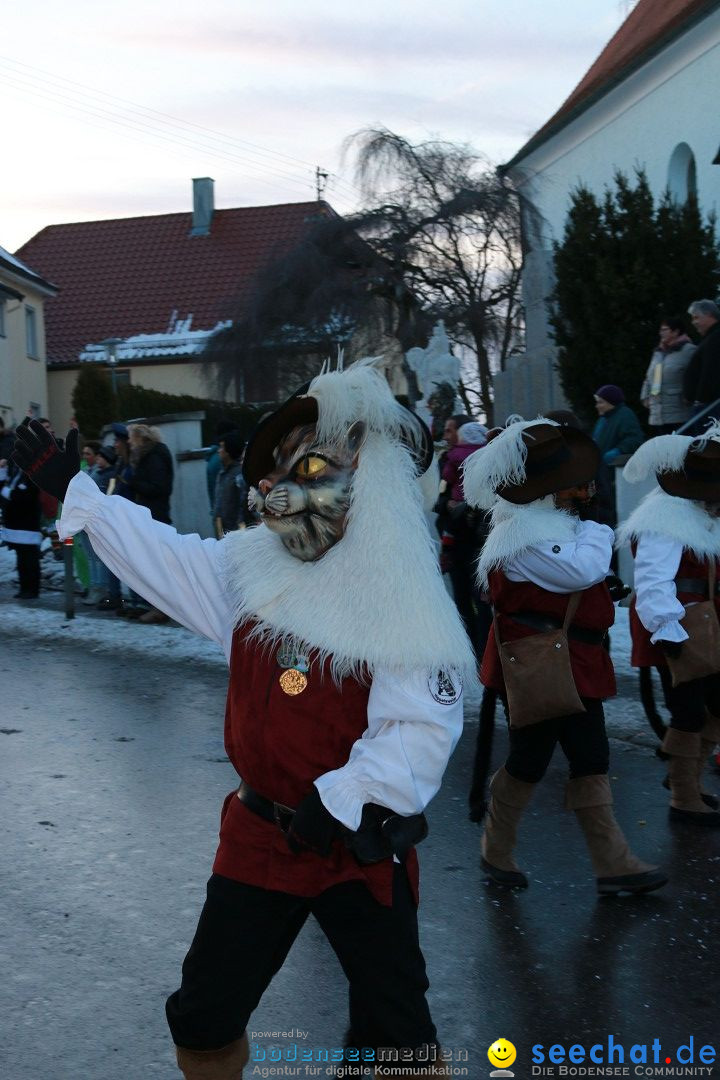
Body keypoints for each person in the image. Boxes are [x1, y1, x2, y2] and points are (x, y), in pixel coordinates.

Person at [12, 359, 476, 1080]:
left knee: (398, 1033)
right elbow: (168, 558)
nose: (285, 484)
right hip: (260, 836)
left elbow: (420, 729)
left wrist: (345, 794)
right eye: (287, 466)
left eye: (313, 465)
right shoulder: (252, 571)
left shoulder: (402, 599)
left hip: (356, 848)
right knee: (203, 1016)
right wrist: (79, 495)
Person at [462, 418, 667, 896]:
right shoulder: (522, 536)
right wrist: (597, 533)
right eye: (572, 482)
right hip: (538, 665)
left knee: (591, 756)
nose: (584, 487)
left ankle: (612, 863)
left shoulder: (551, 529)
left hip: (570, 661)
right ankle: (497, 848)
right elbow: (582, 569)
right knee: (531, 760)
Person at [617, 428, 720, 826]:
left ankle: (688, 780)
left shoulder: (703, 511)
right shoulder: (667, 516)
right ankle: (683, 795)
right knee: (689, 709)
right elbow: (653, 580)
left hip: (707, 621)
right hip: (678, 621)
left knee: (715, 704)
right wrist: (668, 629)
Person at [439, 422, 492, 659]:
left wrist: (451, 505)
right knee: (475, 600)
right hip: (470, 537)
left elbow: (443, 495)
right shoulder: (488, 457)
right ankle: (481, 651)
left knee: (469, 599)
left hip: (467, 538)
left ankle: (476, 650)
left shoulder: (451, 459)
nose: (445, 434)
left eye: (451, 430)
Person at [640, 317, 695, 434]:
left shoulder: (689, 350)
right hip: (657, 414)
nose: (661, 333)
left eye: (665, 330)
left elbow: (696, 376)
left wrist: (689, 396)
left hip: (679, 413)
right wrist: (645, 396)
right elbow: (649, 377)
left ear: (676, 332)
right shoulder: (658, 352)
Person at [0, 455, 42, 599]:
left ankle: (32, 589)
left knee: (29, 558)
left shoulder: (33, 475)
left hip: (27, 524)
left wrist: (8, 493)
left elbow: (25, 497)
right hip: (16, 523)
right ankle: (24, 587)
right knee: (21, 557)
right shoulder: (18, 473)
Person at [683, 299, 720, 416]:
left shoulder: (715, 338)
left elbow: (711, 371)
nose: (693, 322)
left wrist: (702, 400)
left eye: (696, 317)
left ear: (709, 315)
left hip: (709, 406)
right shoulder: (709, 338)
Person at [591, 385, 645, 465]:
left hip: (616, 470)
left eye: (601, 402)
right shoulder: (602, 419)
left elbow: (634, 439)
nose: (597, 406)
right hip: (600, 469)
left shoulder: (625, 416)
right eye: (597, 402)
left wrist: (619, 450)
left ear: (611, 402)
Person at [212, 431, 251, 537]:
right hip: (223, 532)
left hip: (236, 534)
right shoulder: (223, 473)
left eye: (221, 448)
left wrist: (240, 531)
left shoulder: (239, 474)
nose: (219, 451)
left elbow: (243, 506)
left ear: (229, 451)